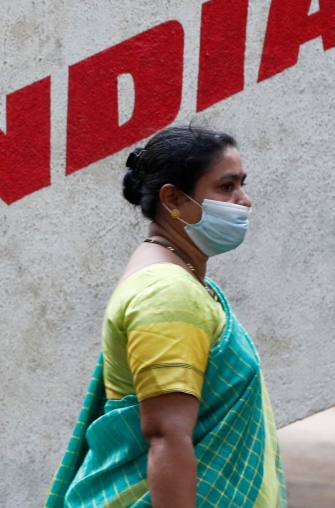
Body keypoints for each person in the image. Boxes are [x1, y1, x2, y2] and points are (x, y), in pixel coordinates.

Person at [44, 125, 287, 508]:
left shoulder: (181, 280)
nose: (245, 200)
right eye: (226, 187)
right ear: (173, 198)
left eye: (241, 184)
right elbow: (167, 435)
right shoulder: (168, 293)